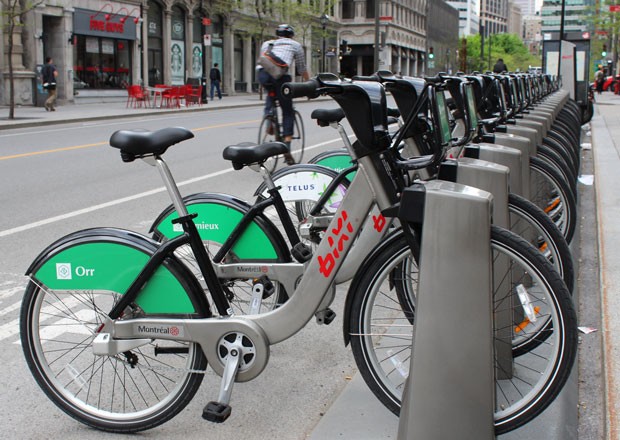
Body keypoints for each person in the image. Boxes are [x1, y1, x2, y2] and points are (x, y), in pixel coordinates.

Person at [257, 24, 310, 165]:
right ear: (291, 35)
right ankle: (286, 145)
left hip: (263, 75)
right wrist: (309, 84)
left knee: (270, 95)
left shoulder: (267, 44)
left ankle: (269, 119)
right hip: (279, 76)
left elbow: (263, 61)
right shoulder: (295, 45)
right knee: (287, 111)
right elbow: (301, 68)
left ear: (277, 35)